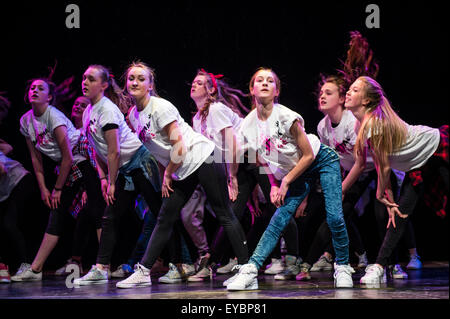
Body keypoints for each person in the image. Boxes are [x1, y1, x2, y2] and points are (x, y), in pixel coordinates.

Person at [114, 61, 249, 288]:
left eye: (140, 78)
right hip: (182, 167)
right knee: (165, 217)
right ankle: (144, 270)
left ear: (150, 85)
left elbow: (179, 146)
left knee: (224, 213)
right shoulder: (133, 115)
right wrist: (166, 174)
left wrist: (168, 175)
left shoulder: (160, 107)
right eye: (131, 78)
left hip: (202, 157)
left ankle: (247, 270)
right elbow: (157, 149)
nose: (134, 82)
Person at [226, 68, 354, 290]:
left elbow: (308, 155)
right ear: (251, 89)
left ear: (277, 91)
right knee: (278, 218)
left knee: (334, 216)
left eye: (270, 81)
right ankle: (251, 270)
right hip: (296, 170)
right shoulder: (248, 125)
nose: (265, 83)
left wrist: (285, 182)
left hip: (322, 160)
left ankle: (342, 266)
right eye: (259, 80)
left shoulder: (286, 116)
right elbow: (263, 159)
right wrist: (273, 184)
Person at [343, 76, 448, 285]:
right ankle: (380, 267)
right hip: (417, 166)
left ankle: (380, 266)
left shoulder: (374, 123)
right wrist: (389, 200)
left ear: (365, 101)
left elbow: (384, 167)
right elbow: (373, 165)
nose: (347, 92)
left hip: (437, 148)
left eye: (354, 90)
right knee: (398, 216)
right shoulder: (360, 125)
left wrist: (380, 194)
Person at [73, 64, 162, 285]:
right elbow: (96, 148)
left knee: (161, 213)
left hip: (141, 162)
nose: (85, 82)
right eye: (84, 78)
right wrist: (103, 178)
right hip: (124, 169)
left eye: (91, 79)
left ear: (103, 85)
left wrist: (112, 182)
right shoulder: (88, 112)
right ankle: (101, 268)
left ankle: (182, 262)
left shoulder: (107, 109)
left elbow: (114, 150)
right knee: (110, 216)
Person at [11, 78, 105, 282]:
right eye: (32, 87)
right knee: (57, 213)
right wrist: (44, 188)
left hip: (84, 157)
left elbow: (69, 156)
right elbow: (36, 159)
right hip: (67, 163)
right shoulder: (26, 121)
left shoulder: (53, 116)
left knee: (96, 210)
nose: (35, 90)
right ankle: (36, 269)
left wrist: (58, 188)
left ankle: (102, 267)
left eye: (40, 88)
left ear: (50, 97)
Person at [0, 95, 35, 283]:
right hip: (12, 184)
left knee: (9, 223)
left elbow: (2, 170)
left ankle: (25, 264)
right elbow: (7, 148)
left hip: (19, 180)